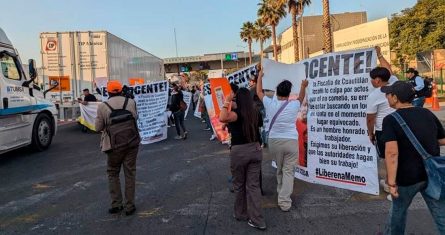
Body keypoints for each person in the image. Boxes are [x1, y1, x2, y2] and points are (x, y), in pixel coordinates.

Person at [380, 81, 445, 234]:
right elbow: (442, 140)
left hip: (406, 178)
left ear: (395, 98)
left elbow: (391, 153)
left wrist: (391, 182)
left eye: (388, 94)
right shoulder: (427, 113)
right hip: (431, 174)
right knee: (441, 215)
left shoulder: (390, 120)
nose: (387, 97)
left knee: (398, 212)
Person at [256, 69, 308, 212]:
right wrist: (303, 86)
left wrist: (260, 76)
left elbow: (259, 92)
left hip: (274, 142)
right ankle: (284, 201)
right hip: (291, 142)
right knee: (288, 171)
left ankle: (281, 190)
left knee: (279, 167)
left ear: (277, 92)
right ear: (289, 93)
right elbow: (301, 97)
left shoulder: (269, 103)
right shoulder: (293, 105)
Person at [219, 88, 266, 230]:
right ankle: (257, 220)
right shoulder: (255, 113)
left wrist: (227, 101)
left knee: (239, 184)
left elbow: (222, 118)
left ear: (237, 100)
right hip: (256, 150)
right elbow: (258, 125)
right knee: (253, 186)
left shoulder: (235, 114)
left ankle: (241, 213)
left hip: (239, 152)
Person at [95, 80, 140, 216]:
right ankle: (130, 206)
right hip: (132, 142)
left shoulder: (103, 106)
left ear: (108, 92)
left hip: (114, 146)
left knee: (113, 173)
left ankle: (116, 204)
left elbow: (98, 127)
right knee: (130, 173)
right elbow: (135, 118)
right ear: (121, 90)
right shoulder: (130, 102)